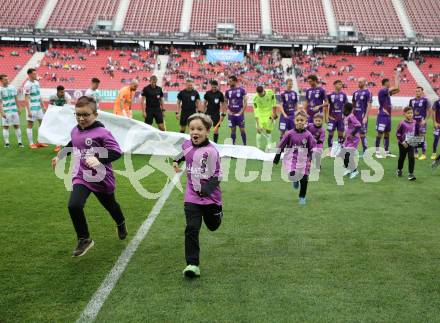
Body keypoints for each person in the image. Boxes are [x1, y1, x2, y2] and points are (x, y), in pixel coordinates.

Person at [51, 96, 128, 257]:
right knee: (74, 205)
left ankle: (120, 223)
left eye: (85, 114)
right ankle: (84, 239)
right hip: (82, 176)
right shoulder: (75, 130)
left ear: (95, 114)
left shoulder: (103, 133)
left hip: (101, 178)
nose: (81, 118)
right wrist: (60, 156)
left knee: (111, 206)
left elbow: (116, 152)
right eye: (78, 114)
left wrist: (98, 158)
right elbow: (72, 143)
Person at [172, 113, 223, 278]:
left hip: (211, 198)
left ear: (207, 131)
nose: (195, 132)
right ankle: (192, 264)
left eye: (200, 129)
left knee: (213, 226)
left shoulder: (212, 152)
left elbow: (218, 175)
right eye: (192, 128)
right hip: (191, 197)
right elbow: (183, 152)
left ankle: (218, 213)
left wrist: (206, 189)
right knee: (192, 229)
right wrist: (175, 160)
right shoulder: (187, 144)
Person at [273, 110, 317, 205]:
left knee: (304, 180)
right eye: (298, 120)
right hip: (292, 159)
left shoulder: (308, 135)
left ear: (306, 121)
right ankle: (295, 180)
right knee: (292, 175)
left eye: (302, 120)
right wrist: (277, 157)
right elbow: (281, 145)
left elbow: (313, 148)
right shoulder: (289, 133)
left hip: (304, 160)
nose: (300, 122)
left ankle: (302, 197)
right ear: (294, 121)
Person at [376, 71, 400, 158]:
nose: (390, 84)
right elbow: (396, 87)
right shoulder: (382, 91)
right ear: (386, 83)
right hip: (382, 115)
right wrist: (396, 78)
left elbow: (398, 90)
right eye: (389, 82)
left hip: (388, 116)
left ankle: (386, 151)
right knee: (380, 133)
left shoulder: (387, 93)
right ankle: (377, 151)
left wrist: (398, 80)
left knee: (387, 133)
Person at [24, 68, 47, 149]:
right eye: (34, 74)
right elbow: (26, 98)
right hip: (32, 107)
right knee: (30, 124)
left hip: (38, 107)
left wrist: (43, 105)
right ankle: (31, 143)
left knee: (42, 123)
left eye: (36, 73)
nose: (35, 75)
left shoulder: (37, 82)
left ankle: (39, 142)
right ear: (29, 74)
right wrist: (28, 110)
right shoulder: (27, 85)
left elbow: (39, 95)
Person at [0, 74, 23, 148]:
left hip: (14, 110)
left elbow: (16, 98)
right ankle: (7, 143)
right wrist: (2, 112)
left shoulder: (12, 87)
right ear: (1, 81)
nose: (7, 80)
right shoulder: (0, 89)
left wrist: (19, 107)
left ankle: (20, 142)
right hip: (6, 111)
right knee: (5, 127)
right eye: (5, 79)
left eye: (7, 79)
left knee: (16, 125)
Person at [253, 86, 277, 151]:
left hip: (269, 114)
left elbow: (274, 103)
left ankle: (269, 145)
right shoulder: (255, 98)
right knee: (259, 131)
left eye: (261, 93)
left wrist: (274, 114)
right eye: (258, 94)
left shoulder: (270, 92)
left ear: (264, 90)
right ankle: (258, 147)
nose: (260, 95)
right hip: (260, 115)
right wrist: (258, 124)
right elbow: (256, 111)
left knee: (268, 131)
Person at [352, 77, 372, 156]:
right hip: (355, 116)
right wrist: (351, 115)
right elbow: (353, 104)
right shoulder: (355, 92)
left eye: (360, 82)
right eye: (358, 82)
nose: (359, 83)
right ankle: (354, 150)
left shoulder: (368, 92)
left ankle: (365, 151)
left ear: (365, 82)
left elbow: (369, 104)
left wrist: (366, 116)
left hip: (362, 116)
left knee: (362, 134)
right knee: (353, 133)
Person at [224, 76, 247, 145]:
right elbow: (225, 101)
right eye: (229, 81)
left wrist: (242, 111)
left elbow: (245, 101)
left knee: (242, 130)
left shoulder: (241, 90)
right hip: (231, 115)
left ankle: (245, 144)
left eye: (230, 81)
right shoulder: (227, 92)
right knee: (233, 130)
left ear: (235, 81)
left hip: (240, 114)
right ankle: (233, 145)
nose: (229, 82)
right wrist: (227, 109)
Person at [409, 86, 430, 160]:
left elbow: (428, 111)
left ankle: (424, 154)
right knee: (415, 137)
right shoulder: (412, 100)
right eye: (416, 91)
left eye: (419, 91)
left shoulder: (425, 100)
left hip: (421, 122)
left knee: (422, 137)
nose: (417, 92)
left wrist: (425, 120)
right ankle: (416, 153)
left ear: (422, 92)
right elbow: (410, 111)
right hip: (414, 122)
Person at [341, 103, 362, 179]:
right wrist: (344, 134)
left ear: (347, 109)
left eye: (344, 108)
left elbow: (358, 125)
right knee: (343, 154)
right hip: (348, 139)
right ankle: (348, 169)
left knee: (348, 155)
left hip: (354, 139)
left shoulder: (351, 116)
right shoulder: (346, 117)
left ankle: (354, 171)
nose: (342, 109)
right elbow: (347, 127)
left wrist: (352, 134)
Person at [396, 106, 417, 181]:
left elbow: (415, 132)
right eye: (408, 113)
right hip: (403, 144)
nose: (410, 114)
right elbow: (398, 133)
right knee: (402, 157)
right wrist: (402, 142)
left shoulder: (414, 122)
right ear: (404, 114)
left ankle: (410, 174)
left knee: (411, 157)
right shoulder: (402, 123)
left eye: (411, 113)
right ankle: (399, 170)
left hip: (411, 142)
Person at [327, 80, 347, 155]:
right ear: (335, 85)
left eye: (341, 84)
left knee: (340, 135)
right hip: (332, 118)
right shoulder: (330, 95)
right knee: (330, 134)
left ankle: (340, 149)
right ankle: (330, 150)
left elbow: (346, 106)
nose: (341, 85)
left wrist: (345, 116)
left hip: (340, 118)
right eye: (339, 84)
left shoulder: (344, 95)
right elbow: (326, 106)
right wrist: (328, 116)